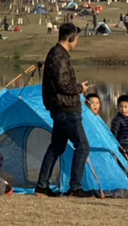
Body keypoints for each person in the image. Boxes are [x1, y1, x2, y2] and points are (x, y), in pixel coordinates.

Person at [34, 23, 92, 198]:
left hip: (60, 107)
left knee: (56, 147)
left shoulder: (56, 54)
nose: (77, 42)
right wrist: (80, 88)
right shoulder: (59, 56)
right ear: (71, 38)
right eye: (77, 38)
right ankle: (75, 187)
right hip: (66, 109)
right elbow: (63, 84)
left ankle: (42, 186)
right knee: (82, 146)